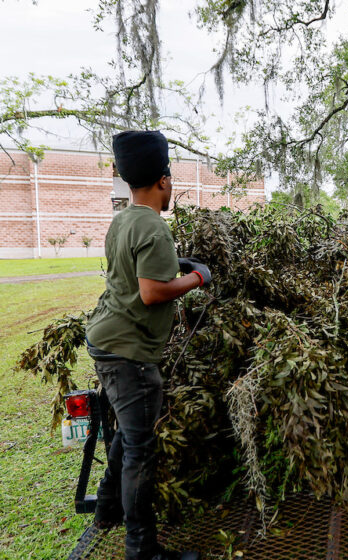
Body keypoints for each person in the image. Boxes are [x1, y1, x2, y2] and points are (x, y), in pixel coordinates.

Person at [85, 130, 210, 560]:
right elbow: (152, 292)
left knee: (128, 430)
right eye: (171, 178)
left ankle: (105, 509)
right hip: (129, 353)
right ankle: (142, 549)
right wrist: (197, 277)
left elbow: (133, 267)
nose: (172, 185)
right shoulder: (155, 227)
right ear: (163, 180)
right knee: (140, 449)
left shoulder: (123, 219)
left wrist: (178, 263)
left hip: (103, 338)